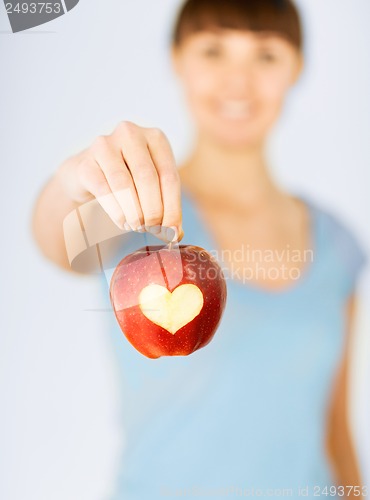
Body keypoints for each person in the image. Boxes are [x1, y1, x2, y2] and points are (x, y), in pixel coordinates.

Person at [32, 0, 367, 498]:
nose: (239, 81)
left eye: (265, 56)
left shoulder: (338, 243)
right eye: (213, 51)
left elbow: (335, 430)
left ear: (296, 67)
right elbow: (56, 240)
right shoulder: (130, 213)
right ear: (177, 60)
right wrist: (73, 179)